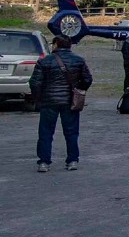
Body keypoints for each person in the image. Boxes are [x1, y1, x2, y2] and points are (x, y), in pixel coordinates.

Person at [29, 35, 93, 172]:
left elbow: (35, 82)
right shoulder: (78, 61)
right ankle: (72, 160)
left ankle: (44, 162)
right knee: (71, 132)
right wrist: (78, 90)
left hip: (49, 100)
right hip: (70, 101)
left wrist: (38, 98)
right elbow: (87, 79)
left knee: (46, 132)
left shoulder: (45, 61)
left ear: (56, 44)